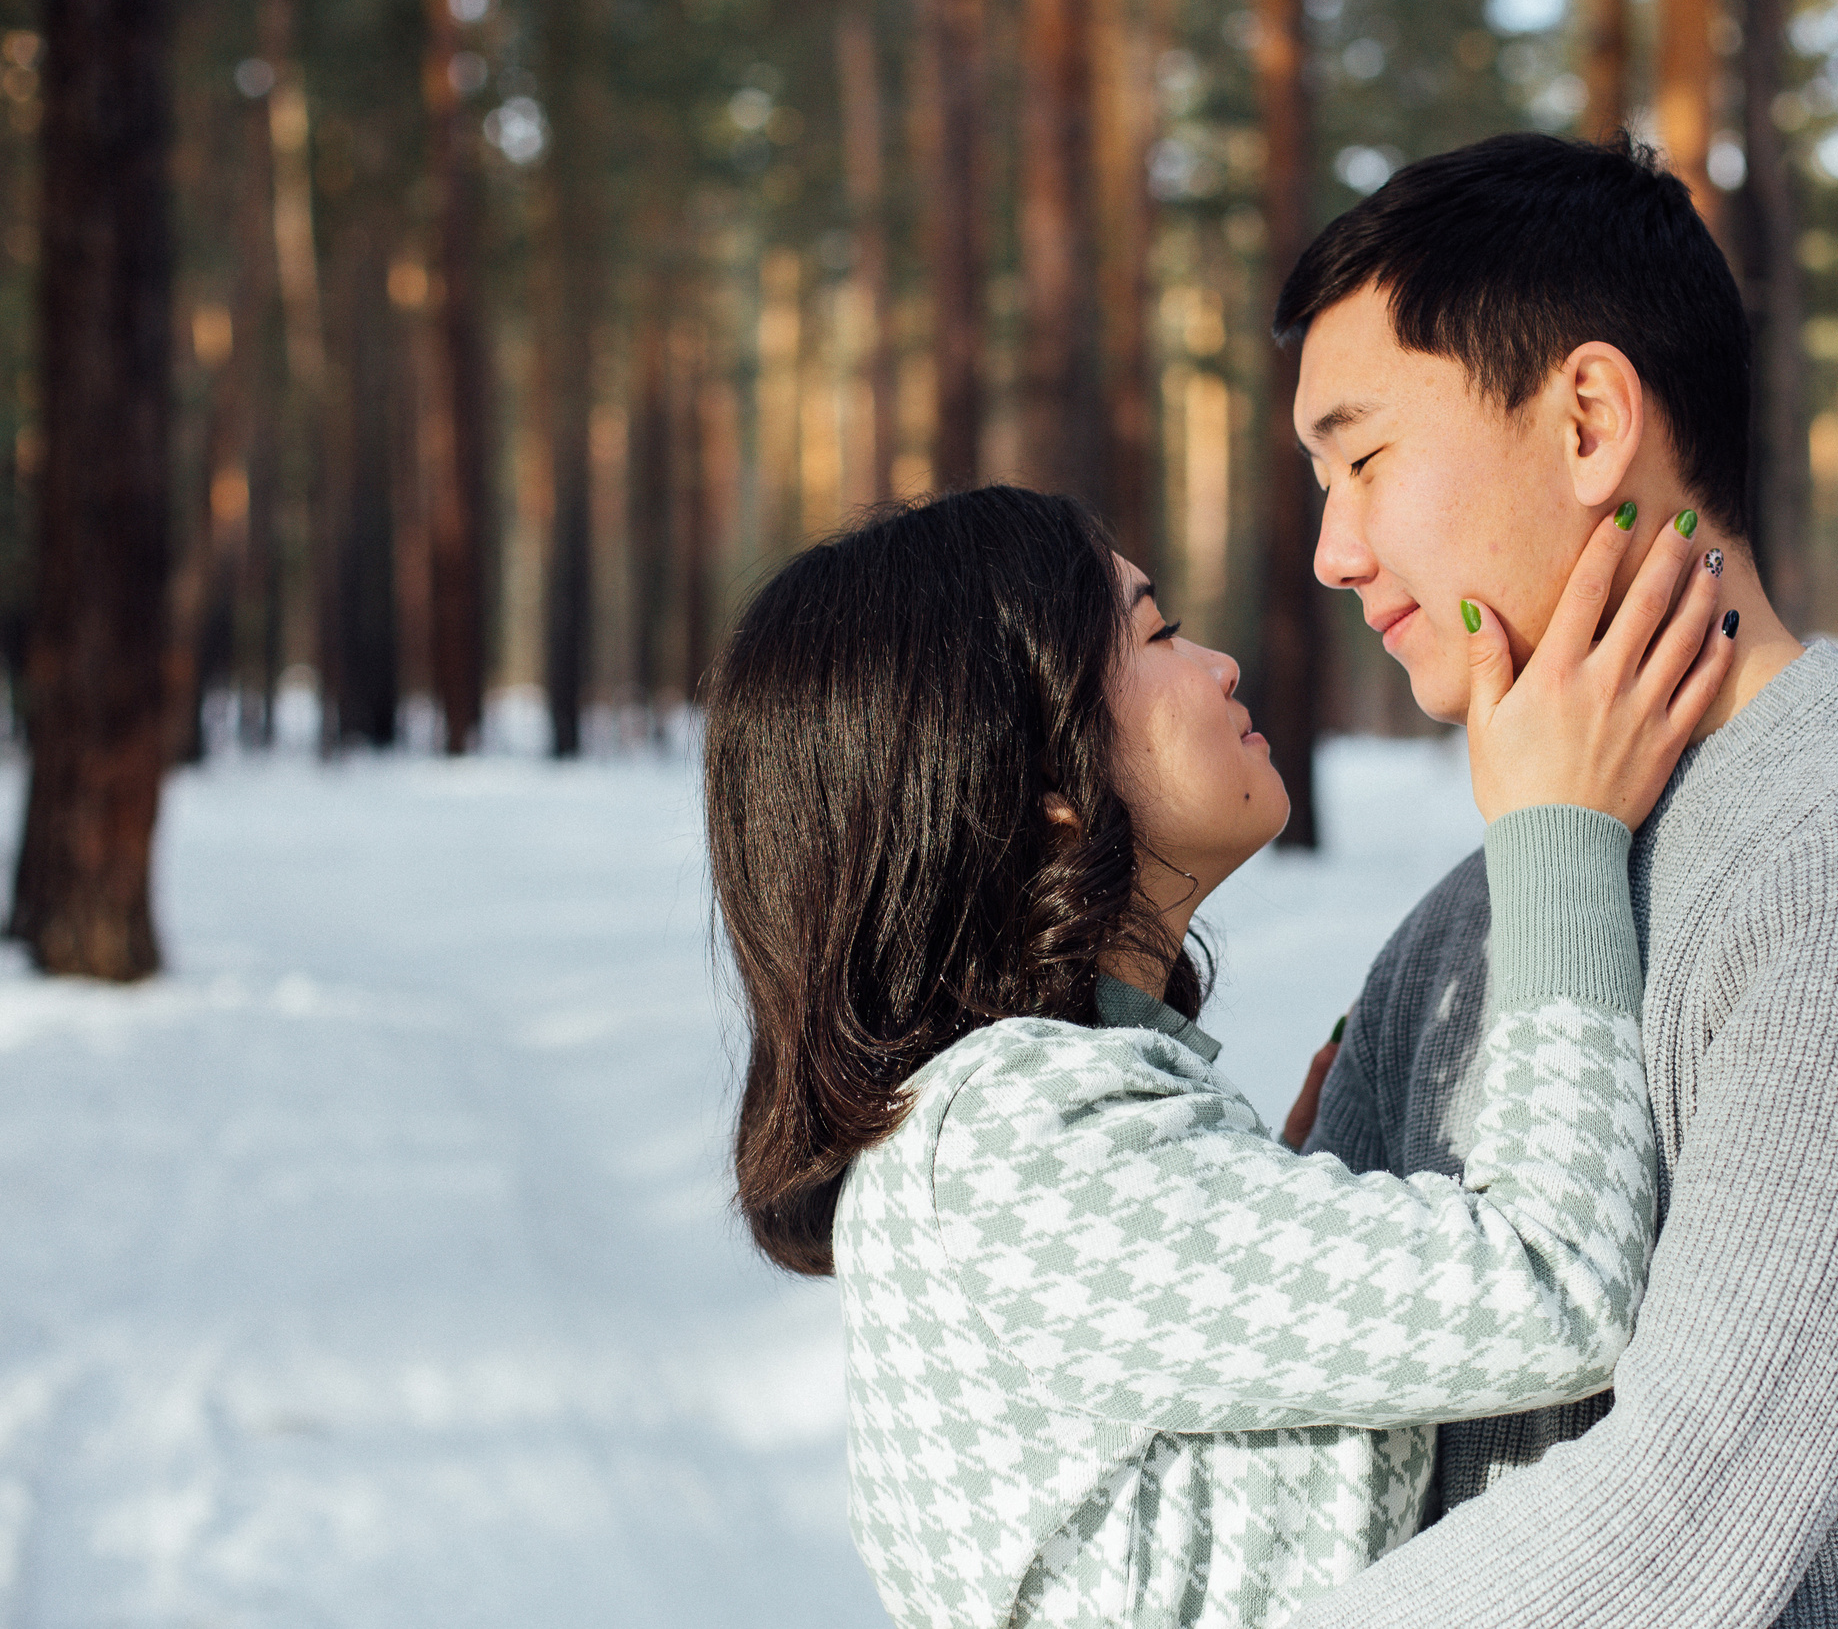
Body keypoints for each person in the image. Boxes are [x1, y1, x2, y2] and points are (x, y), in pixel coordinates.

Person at [1278, 132, 1838, 1627]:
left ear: (1592, 416)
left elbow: (1682, 1512)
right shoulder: (1461, 934)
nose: (1332, 551)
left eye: (1362, 456)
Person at [705, 482, 1736, 1628]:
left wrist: (1287, 1185)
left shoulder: (1010, 1132)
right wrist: (1559, 832)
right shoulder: (1008, 1139)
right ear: (1041, 779)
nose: (1223, 665)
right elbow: (1559, 1287)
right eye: (1157, 634)